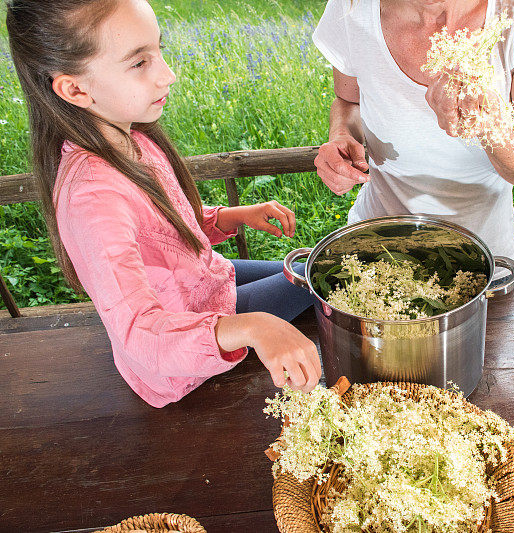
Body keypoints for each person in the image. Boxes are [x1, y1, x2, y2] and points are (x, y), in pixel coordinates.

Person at [5, 0, 321, 408]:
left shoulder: (131, 137)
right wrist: (257, 327)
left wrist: (229, 217)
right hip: (182, 350)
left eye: (159, 51)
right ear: (75, 88)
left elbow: (162, 227)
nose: (167, 75)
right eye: (139, 63)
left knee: (315, 262)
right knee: (324, 272)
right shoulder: (91, 197)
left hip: (206, 282)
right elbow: (139, 335)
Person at [313, 0, 514, 264]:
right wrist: (342, 136)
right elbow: (349, 101)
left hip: (480, 259)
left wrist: (488, 125)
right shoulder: (351, 7)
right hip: (377, 248)